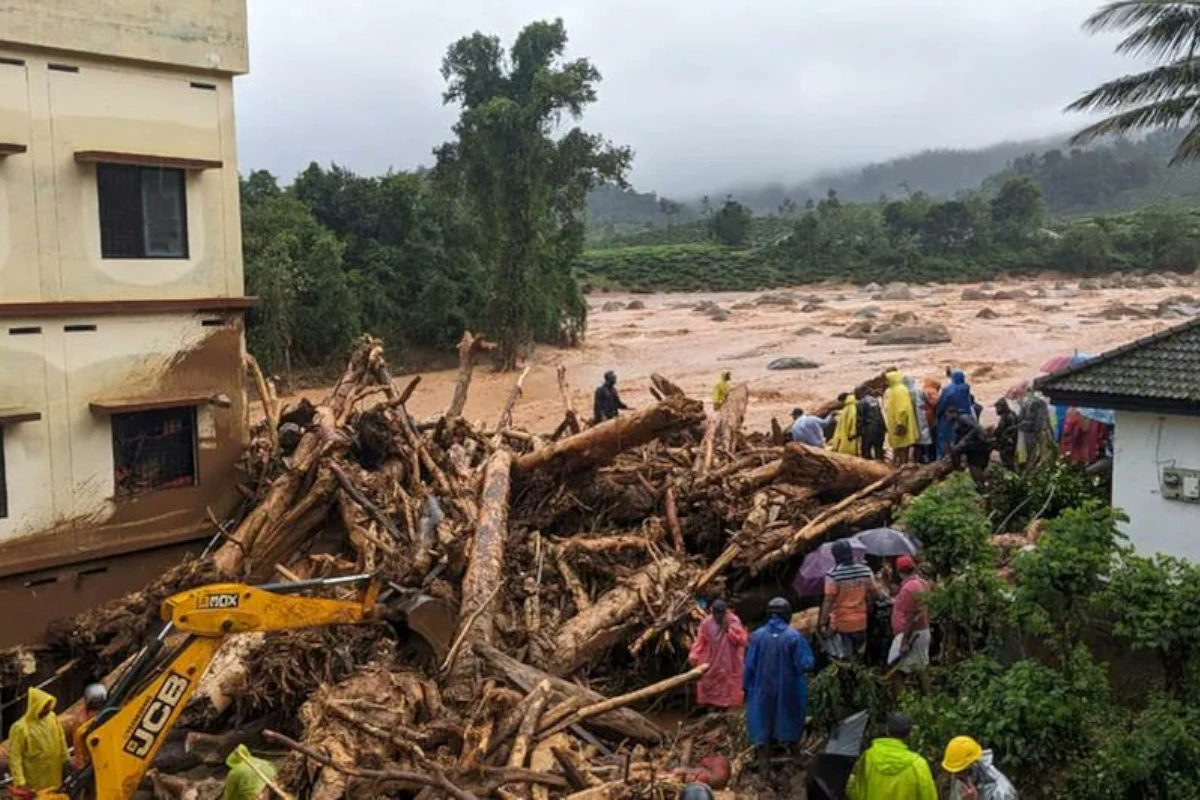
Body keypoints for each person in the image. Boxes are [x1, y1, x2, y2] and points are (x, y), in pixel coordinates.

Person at [743, 597, 815, 772]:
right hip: (789, 691)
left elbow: (749, 666)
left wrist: (745, 687)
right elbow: (806, 663)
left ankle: (763, 772)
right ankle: (795, 759)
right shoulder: (794, 637)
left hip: (762, 692)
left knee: (763, 726)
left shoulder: (758, 636)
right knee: (790, 722)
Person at [846, 712, 937, 800]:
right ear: (909, 734)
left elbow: (855, 793)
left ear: (887, 730)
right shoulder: (918, 765)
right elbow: (929, 796)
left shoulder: (868, 758)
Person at [819, 540, 882, 661]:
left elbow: (828, 600)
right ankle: (861, 669)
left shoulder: (832, 574)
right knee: (860, 651)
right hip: (861, 620)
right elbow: (875, 594)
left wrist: (822, 622)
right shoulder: (865, 570)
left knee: (847, 655)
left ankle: (850, 672)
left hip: (842, 622)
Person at [687, 599, 748, 709]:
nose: (718, 616)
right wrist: (694, 656)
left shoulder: (733, 621)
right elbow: (701, 641)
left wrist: (728, 630)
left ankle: (727, 708)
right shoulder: (706, 623)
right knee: (710, 683)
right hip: (712, 659)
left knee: (729, 685)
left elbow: (742, 640)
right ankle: (711, 707)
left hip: (730, 660)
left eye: (720, 613)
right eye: (716, 613)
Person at [9, 688, 68, 794]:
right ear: (36, 706)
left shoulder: (52, 717)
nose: (47, 710)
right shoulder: (20, 727)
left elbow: (61, 737)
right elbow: (15, 756)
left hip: (54, 773)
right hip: (34, 778)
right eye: (44, 707)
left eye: (48, 706)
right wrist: (20, 782)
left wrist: (66, 758)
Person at [888, 556, 931, 683]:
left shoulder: (908, 588)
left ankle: (904, 700)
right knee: (920, 668)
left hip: (910, 633)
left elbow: (910, 617)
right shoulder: (923, 583)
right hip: (922, 630)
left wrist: (904, 641)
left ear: (899, 572)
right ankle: (924, 698)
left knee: (897, 669)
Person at [942, 736, 1016, 800]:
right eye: (954, 772)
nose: (956, 777)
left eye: (961, 772)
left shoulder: (1002, 792)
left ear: (976, 765)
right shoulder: (961, 782)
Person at [935, 370, 975, 458]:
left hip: (947, 418)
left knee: (944, 438)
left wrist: (937, 415)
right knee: (960, 437)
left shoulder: (947, 390)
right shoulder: (966, 388)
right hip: (964, 416)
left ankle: (943, 458)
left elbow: (942, 404)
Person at [948, 407, 992, 486]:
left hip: (978, 445)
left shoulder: (963, 418)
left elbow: (975, 428)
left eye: (948, 415)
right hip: (974, 446)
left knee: (975, 466)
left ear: (953, 413)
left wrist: (964, 440)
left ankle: (981, 486)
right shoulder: (958, 421)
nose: (947, 418)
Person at [71, 683, 109, 771]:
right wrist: (81, 767)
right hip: (89, 759)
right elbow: (78, 747)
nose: (96, 712)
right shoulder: (80, 722)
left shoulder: (107, 714)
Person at [883, 371, 918, 465]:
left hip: (900, 425)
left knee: (901, 447)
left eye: (887, 380)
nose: (886, 382)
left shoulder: (897, 391)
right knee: (901, 447)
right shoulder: (900, 389)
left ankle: (901, 466)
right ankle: (900, 464)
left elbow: (902, 409)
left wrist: (900, 423)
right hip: (900, 423)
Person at [904, 375, 933, 463]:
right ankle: (927, 457)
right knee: (924, 435)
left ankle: (916, 459)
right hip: (921, 415)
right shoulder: (919, 390)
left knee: (914, 437)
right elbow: (927, 400)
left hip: (911, 417)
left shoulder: (905, 392)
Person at [856, 389, 887, 461]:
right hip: (880, 427)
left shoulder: (861, 403)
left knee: (866, 450)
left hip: (869, 428)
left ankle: (868, 468)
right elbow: (880, 414)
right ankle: (881, 467)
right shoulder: (875, 400)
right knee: (879, 448)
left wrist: (858, 432)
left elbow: (860, 419)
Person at [992, 399, 1019, 471]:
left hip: (1008, 443)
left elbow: (1011, 429)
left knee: (1008, 462)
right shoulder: (1005, 415)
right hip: (1005, 442)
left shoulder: (1009, 416)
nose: (996, 410)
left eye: (997, 408)